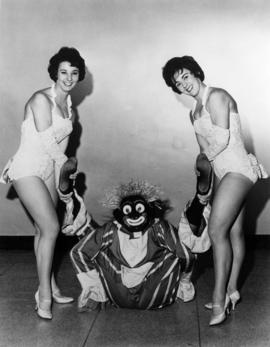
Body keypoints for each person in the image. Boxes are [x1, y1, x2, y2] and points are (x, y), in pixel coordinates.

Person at [162, 56, 268, 326]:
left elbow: (220, 140)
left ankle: (219, 299)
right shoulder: (193, 112)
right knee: (233, 232)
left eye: (186, 76)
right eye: (177, 83)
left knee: (216, 231)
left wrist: (204, 163)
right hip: (222, 173)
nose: (184, 84)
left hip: (238, 169)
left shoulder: (218, 96)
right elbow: (203, 154)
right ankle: (232, 289)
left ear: (196, 73)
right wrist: (204, 185)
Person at [0, 47, 86, 320]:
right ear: (55, 73)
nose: (69, 78)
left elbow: (61, 148)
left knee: (42, 229)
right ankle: (44, 296)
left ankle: (50, 286)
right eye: (63, 72)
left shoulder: (70, 109)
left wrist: (66, 181)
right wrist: (67, 166)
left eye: (74, 72)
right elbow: (48, 142)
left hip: (49, 168)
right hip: (27, 168)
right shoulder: (40, 99)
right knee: (51, 228)